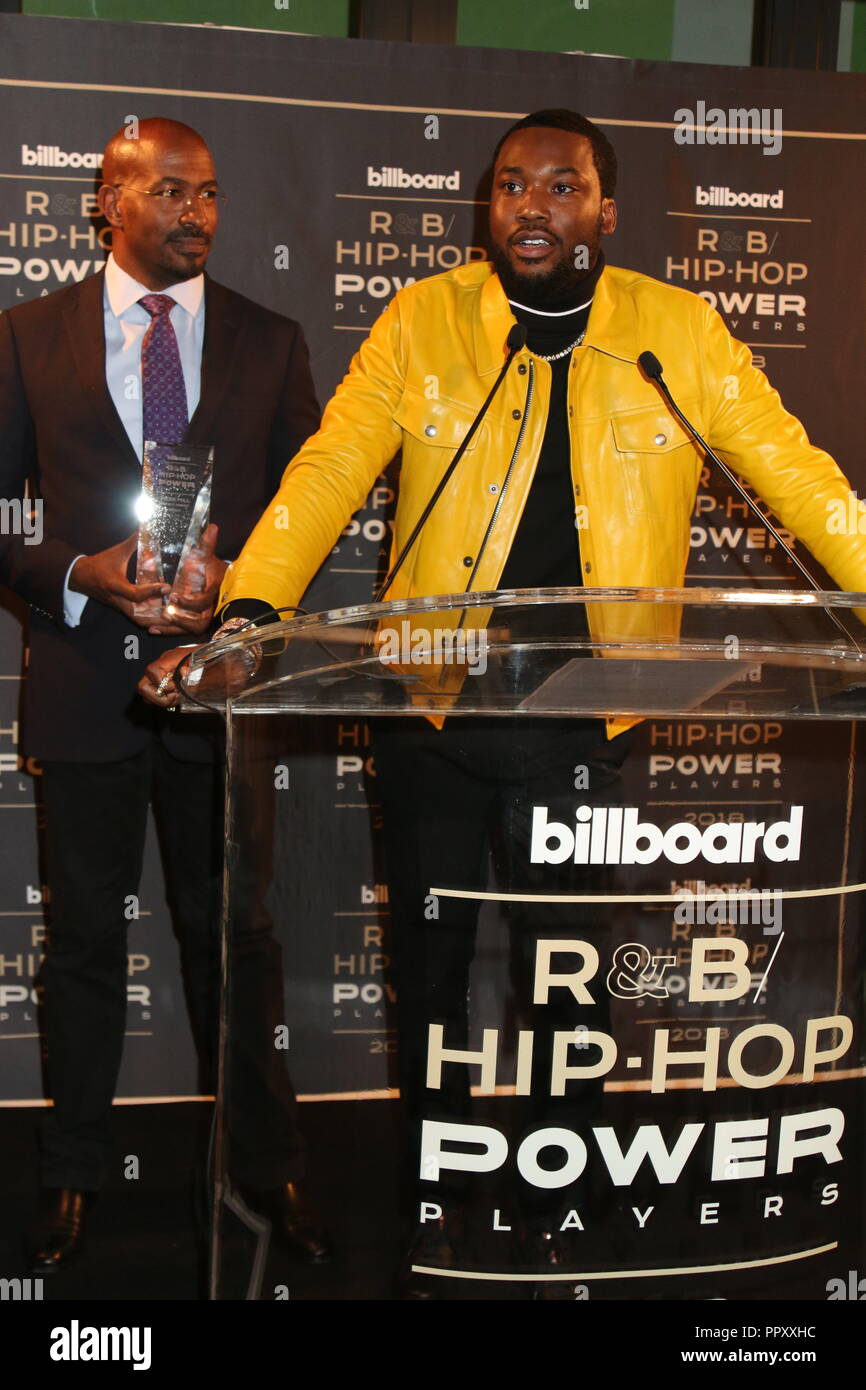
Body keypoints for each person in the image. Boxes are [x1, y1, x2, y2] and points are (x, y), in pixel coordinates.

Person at [140, 108, 866, 1296]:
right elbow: (330, 466)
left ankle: (556, 1192)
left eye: (561, 185)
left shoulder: (670, 333)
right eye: (510, 185)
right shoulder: (426, 320)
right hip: (435, 710)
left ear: (605, 211)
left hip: (587, 720)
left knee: (565, 984)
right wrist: (252, 606)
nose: (531, 204)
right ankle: (439, 1186)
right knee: (426, 986)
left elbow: (790, 468)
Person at [0, 117, 332, 1275]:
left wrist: (238, 594)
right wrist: (79, 575)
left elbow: (310, 517)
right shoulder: (26, 336)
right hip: (86, 680)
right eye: (175, 193)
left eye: (212, 196)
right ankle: (75, 1175)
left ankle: (264, 1164)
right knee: (84, 943)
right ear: (111, 197)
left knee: (236, 939)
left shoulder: (270, 339)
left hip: (220, 688)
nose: (200, 214)